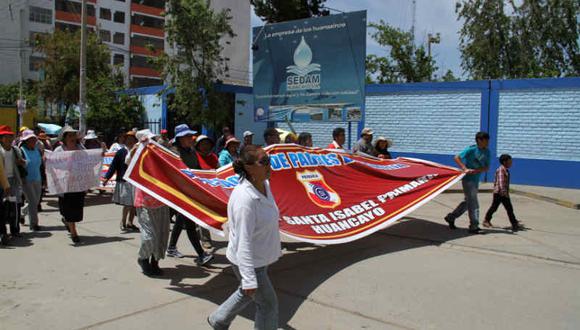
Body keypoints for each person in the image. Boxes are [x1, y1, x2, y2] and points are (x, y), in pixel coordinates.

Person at [208, 145, 281, 330]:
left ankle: (218, 319)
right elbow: (243, 241)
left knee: (248, 292)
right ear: (248, 167)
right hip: (249, 261)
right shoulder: (244, 200)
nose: (269, 165)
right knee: (267, 305)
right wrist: (248, 277)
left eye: (269, 159)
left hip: (259, 258)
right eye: (263, 161)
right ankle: (219, 320)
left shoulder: (265, 185)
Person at [166, 124, 213, 265]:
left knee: (181, 220)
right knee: (190, 223)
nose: (191, 138)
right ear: (179, 138)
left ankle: (171, 247)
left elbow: (197, 169)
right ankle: (201, 254)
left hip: (191, 190)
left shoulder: (191, 151)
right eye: (187, 136)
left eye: (190, 136)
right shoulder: (174, 152)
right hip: (180, 192)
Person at [131, 129, 171, 276]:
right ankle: (143, 258)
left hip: (161, 200)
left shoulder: (160, 153)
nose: (151, 142)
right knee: (149, 236)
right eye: (148, 140)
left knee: (161, 234)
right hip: (145, 202)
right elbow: (128, 164)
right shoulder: (138, 155)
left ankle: (155, 261)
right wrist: (135, 151)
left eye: (153, 139)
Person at [444, 131, 491, 234]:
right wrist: (464, 168)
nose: (488, 142)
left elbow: (487, 167)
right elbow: (457, 157)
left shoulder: (487, 152)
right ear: (479, 140)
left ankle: (451, 217)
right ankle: (474, 226)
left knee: (468, 202)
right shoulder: (471, 149)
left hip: (476, 179)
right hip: (468, 180)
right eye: (486, 140)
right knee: (474, 203)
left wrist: (478, 170)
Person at [54, 126, 87, 244]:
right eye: (69, 135)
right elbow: (53, 164)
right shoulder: (59, 150)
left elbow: (87, 162)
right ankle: (74, 233)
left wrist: (100, 154)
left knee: (77, 210)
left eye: (73, 135)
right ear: (65, 138)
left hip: (78, 184)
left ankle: (67, 221)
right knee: (68, 209)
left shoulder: (80, 148)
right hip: (65, 185)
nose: (72, 137)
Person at [104, 130, 138, 232]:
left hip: (135, 181)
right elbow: (113, 166)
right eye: (128, 139)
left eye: (132, 139)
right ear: (125, 140)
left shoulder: (138, 151)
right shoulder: (121, 152)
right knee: (127, 204)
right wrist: (107, 178)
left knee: (134, 204)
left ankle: (130, 223)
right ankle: (123, 222)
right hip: (124, 181)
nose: (130, 141)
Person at [483, 154, 524, 231]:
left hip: (503, 193)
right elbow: (501, 182)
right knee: (496, 207)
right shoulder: (501, 170)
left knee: (508, 208)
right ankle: (487, 220)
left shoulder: (505, 169)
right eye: (510, 161)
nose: (511, 163)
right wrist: (504, 193)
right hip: (499, 193)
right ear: (504, 162)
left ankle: (514, 222)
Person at [0, 125, 25, 239]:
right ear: (1, 138)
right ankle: (3, 232)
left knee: (15, 206)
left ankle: (15, 230)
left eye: (10, 136)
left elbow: (25, 163)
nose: (9, 139)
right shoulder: (0, 150)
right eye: (6, 136)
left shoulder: (16, 149)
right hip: (1, 182)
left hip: (14, 181)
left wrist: (22, 162)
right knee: (3, 207)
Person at [195, 135, 219, 248]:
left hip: (212, 190)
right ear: (198, 146)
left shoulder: (214, 157)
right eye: (202, 144)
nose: (205, 146)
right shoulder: (194, 157)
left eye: (207, 144)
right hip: (198, 190)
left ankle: (197, 231)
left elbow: (219, 171)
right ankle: (205, 238)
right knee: (203, 214)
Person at [19, 130, 43, 231]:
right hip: (26, 180)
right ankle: (34, 224)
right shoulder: (21, 150)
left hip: (37, 178)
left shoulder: (37, 150)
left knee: (35, 201)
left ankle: (21, 212)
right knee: (33, 202)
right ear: (25, 141)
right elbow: (19, 166)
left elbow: (41, 165)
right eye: (30, 139)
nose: (33, 141)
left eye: (34, 139)